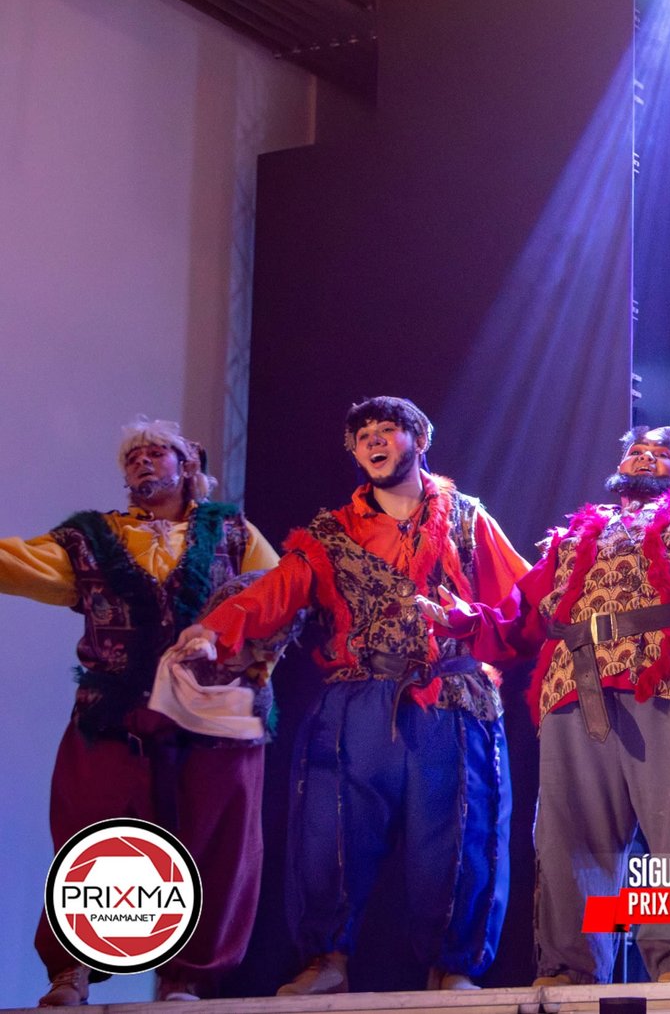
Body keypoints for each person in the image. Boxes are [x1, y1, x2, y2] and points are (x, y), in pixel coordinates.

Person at [421, 425, 670, 985]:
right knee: (569, 839)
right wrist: (464, 620)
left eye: (661, 453)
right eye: (636, 451)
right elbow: (524, 614)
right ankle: (571, 969)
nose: (645, 457)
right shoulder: (573, 536)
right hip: (576, 688)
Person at [174, 397, 528, 993]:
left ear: (419, 439)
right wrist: (215, 629)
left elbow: (520, 596)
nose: (374, 441)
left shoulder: (468, 520)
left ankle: (453, 969)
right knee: (331, 831)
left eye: (387, 430)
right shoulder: (330, 534)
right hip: (358, 699)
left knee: (458, 837)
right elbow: (277, 590)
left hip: (450, 698)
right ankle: (326, 964)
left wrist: (485, 626)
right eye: (363, 436)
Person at [0, 418, 278, 1004]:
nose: (142, 463)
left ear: (188, 466)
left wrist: (249, 659)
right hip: (116, 715)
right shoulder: (89, 538)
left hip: (210, 719)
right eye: (133, 457)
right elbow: (16, 561)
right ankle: (72, 970)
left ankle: (187, 976)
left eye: (156, 453)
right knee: (94, 835)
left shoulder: (233, 532)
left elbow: (278, 595)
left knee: (212, 842)